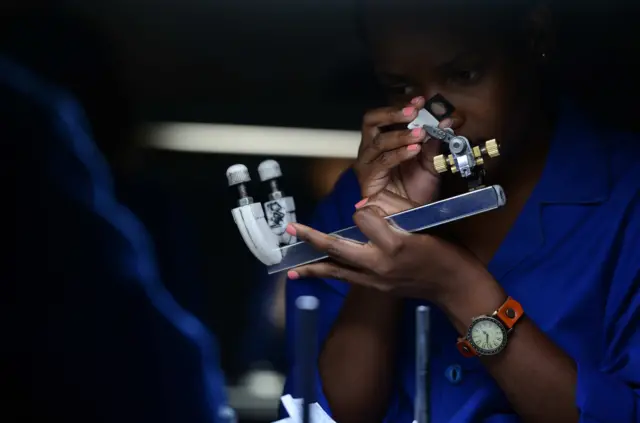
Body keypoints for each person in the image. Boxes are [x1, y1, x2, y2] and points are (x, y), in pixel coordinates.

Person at [282, 1, 640, 422]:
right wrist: (387, 239)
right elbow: (330, 412)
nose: (440, 118)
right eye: (400, 88)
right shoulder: (358, 197)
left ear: (534, 38)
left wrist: (459, 289)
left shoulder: (627, 195)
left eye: (465, 74)